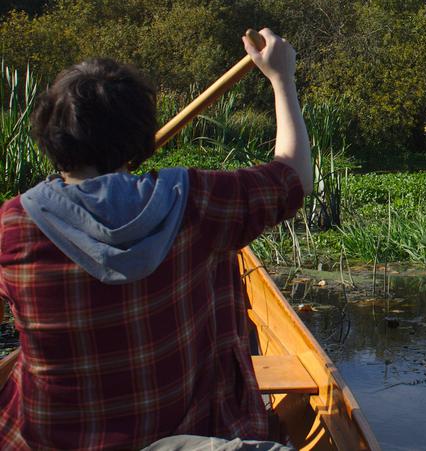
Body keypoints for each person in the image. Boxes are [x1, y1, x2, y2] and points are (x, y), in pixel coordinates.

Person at [0, 29, 312, 450]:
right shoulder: (197, 200)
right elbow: (293, 175)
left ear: (50, 133)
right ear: (141, 137)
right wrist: (281, 79)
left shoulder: (12, 226)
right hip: (191, 435)